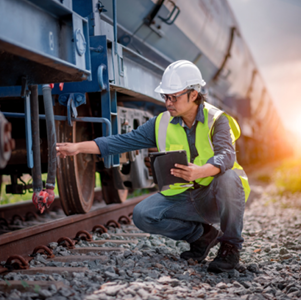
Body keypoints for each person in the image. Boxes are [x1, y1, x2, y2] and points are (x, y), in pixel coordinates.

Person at [56, 60, 250, 273]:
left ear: (193, 94)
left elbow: (226, 156)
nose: (168, 102)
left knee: (229, 177)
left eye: (173, 97)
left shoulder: (217, 120)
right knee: (143, 214)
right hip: (188, 197)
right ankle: (201, 236)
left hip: (217, 198)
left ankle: (230, 247)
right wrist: (78, 147)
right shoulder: (161, 123)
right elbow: (122, 141)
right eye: (165, 97)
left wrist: (200, 171)